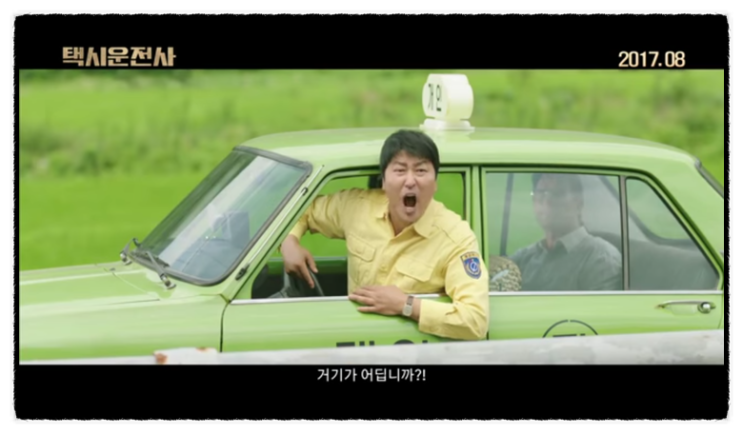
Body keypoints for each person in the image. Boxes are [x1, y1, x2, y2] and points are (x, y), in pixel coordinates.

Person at [278, 129, 489, 340]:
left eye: (421, 171)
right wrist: (289, 241)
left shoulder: (455, 238)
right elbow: (301, 209)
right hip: (353, 340)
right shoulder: (357, 208)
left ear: (435, 183)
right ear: (384, 182)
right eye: (400, 170)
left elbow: (475, 320)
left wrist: (406, 305)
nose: (410, 181)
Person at [509, 173, 622, 292]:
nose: (547, 202)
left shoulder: (600, 259)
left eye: (557, 194)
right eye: (541, 194)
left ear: (578, 203)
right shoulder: (522, 259)